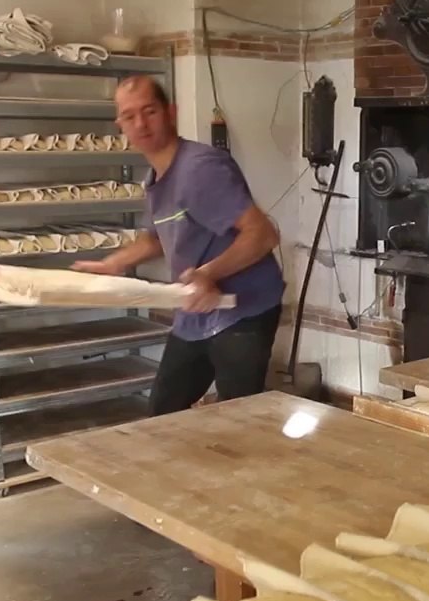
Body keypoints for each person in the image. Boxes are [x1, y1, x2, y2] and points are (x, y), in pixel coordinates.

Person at [74, 75, 285, 415]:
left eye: (149, 111)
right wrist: (115, 263)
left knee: (241, 420)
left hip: (243, 311)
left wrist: (208, 273)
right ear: (120, 125)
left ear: (170, 112)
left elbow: (263, 235)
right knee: (162, 414)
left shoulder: (200, 169)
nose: (140, 123)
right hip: (196, 312)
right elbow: (158, 237)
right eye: (129, 116)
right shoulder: (157, 177)